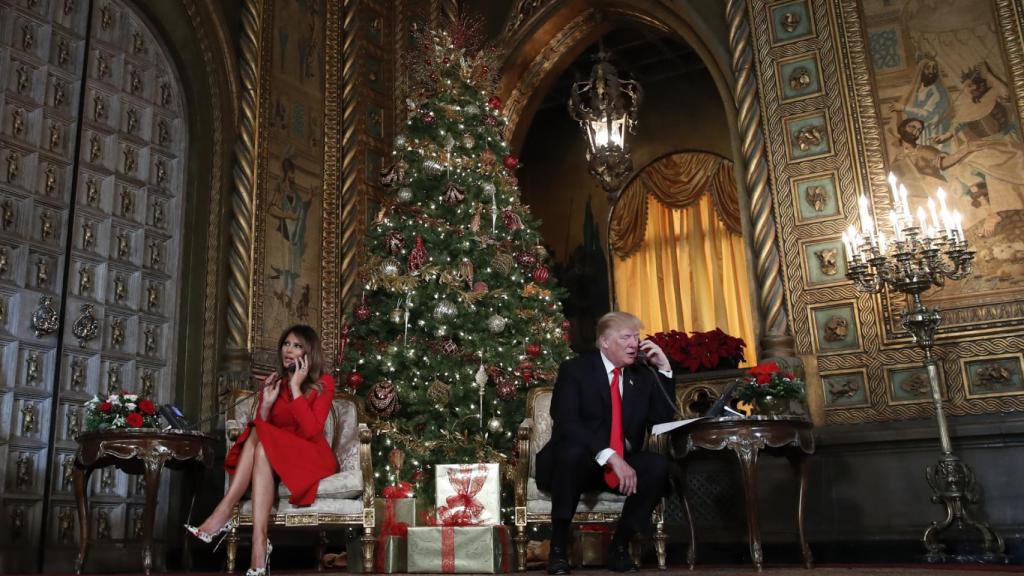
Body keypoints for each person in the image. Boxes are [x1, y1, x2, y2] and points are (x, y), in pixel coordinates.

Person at [185, 325, 338, 576]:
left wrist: (297, 388)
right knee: (261, 443)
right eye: (286, 344)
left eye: (298, 346)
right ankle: (259, 544)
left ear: (309, 353)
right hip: (279, 456)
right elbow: (261, 428)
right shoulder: (276, 382)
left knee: (262, 439)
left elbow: (311, 431)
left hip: (311, 457)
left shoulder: (324, 383)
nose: (289, 350)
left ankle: (224, 511)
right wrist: (266, 403)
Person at [535, 311, 677, 574]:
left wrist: (665, 369)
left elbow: (660, 420)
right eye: (626, 337)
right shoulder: (575, 370)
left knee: (657, 465)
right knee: (573, 451)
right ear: (604, 342)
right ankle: (558, 548)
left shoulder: (642, 376)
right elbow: (566, 422)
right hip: (577, 463)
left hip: (618, 465)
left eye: (636, 337)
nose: (634, 344)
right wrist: (610, 456)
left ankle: (620, 546)